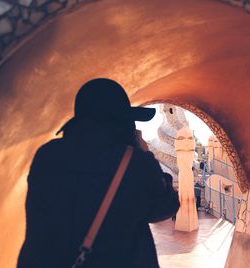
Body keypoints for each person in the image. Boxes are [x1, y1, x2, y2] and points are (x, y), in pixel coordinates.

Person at [17, 78, 180, 268]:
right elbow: (165, 207)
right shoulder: (134, 163)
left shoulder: (47, 155)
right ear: (122, 123)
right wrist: (144, 154)